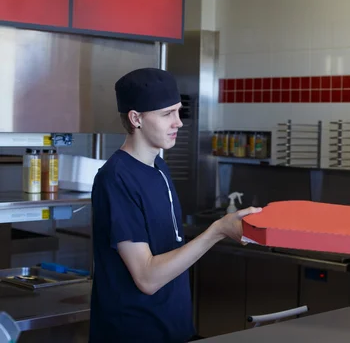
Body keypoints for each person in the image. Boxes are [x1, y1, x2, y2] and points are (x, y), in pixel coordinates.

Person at [89, 68, 261, 343]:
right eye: (167, 113)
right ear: (136, 119)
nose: (178, 123)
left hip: (174, 328)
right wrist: (217, 231)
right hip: (133, 334)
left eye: (179, 112)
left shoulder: (159, 167)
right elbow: (146, 277)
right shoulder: (116, 179)